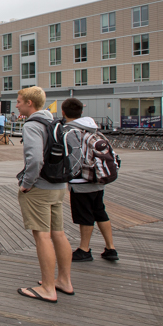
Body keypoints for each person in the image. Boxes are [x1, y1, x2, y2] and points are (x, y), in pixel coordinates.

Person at [15, 86, 73, 303]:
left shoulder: (32, 125)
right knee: (58, 233)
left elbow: (35, 159)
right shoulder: (54, 121)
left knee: (42, 236)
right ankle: (63, 281)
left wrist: (27, 184)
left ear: (30, 103)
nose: (17, 105)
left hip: (40, 187)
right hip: (58, 185)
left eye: (19, 101)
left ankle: (48, 288)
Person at [62, 98, 119, 262]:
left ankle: (84, 249)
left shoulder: (72, 132)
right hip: (99, 177)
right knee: (100, 211)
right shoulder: (93, 130)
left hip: (82, 181)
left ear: (64, 112)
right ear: (81, 112)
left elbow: (73, 158)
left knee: (85, 215)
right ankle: (110, 248)